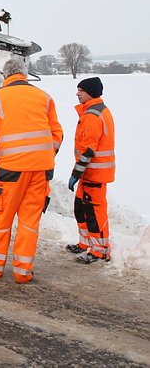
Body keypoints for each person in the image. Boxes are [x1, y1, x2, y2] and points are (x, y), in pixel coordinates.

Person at [0, 57, 63, 283]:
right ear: (25, 74)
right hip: (41, 170)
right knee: (30, 221)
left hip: (10, 171)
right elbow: (57, 135)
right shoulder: (45, 98)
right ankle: (23, 272)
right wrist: (44, 156)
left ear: (5, 76)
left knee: (2, 219)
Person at [66, 77, 115, 264]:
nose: (77, 94)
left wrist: (75, 174)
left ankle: (100, 250)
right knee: (81, 208)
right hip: (89, 173)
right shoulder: (93, 111)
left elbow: (88, 151)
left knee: (94, 212)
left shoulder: (92, 115)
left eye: (81, 90)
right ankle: (85, 243)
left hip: (95, 173)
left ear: (91, 92)